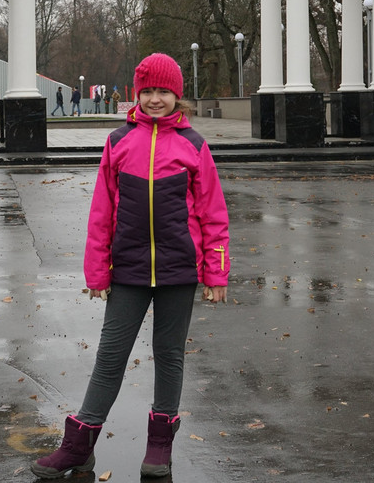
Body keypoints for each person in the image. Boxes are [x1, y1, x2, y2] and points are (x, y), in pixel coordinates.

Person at [31, 53, 230, 479]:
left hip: (180, 271)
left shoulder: (194, 145)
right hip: (128, 272)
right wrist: (97, 271)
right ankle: (78, 444)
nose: (156, 99)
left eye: (164, 91)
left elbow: (213, 213)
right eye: (148, 91)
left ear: (177, 95)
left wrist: (216, 272)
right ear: (136, 94)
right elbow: (102, 211)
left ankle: (160, 444)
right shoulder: (119, 142)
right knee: (110, 356)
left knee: (169, 355)